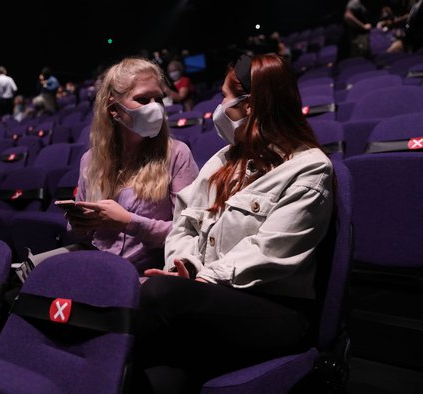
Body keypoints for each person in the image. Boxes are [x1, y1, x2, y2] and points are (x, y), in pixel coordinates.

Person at [132, 53, 334, 393]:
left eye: (225, 96)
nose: (219, 106)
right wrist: (185, 265)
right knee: (150, 377)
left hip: (273, 308)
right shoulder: (224, 160)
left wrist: (203, 279)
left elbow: (270, 252)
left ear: (250, 105)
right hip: (209, 299)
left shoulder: (310, 168)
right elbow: (185, 224)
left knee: (158, 294)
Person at [26, 57, 199, 274]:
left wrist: (129, 222)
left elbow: (189, 233)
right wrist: (81, 224)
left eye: (159, 99)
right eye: (143, 100)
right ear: (113, 108)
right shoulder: (90, 160)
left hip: (143, 276)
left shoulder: (176, 154)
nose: (155, 108)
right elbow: (81, 233)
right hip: (95, 266)